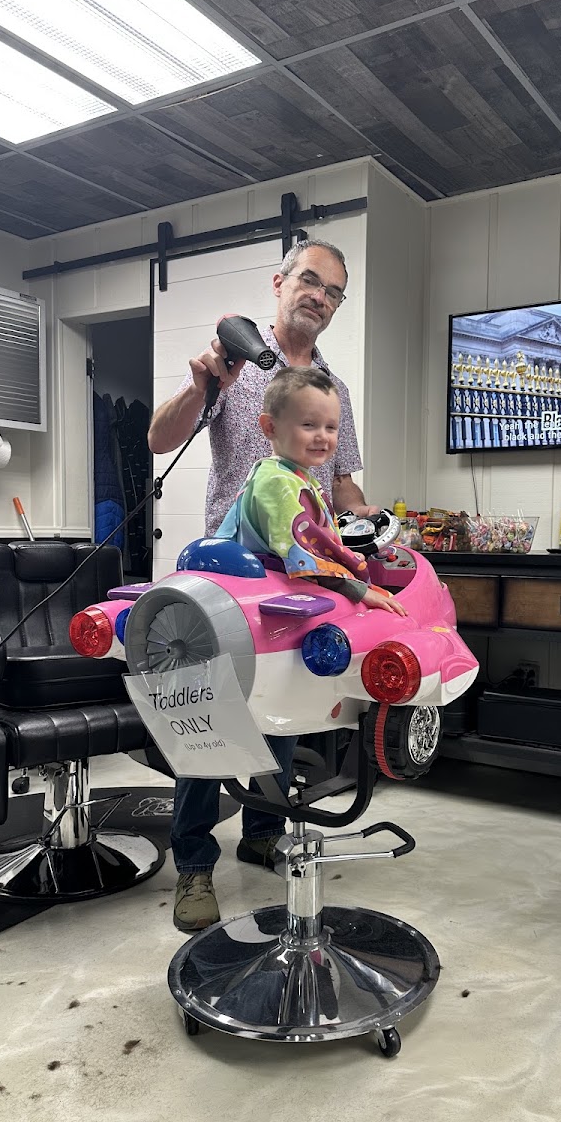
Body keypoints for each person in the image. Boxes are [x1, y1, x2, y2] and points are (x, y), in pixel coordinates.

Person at [147, 239, 379, 933]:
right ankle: (194, 863)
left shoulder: (333, 389)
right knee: (207, 719)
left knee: (282, 712)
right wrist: (202, 385)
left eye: (333, 291)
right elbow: (159, 440)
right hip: (225, 577)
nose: (319, 297)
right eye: (310, 281)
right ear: (280, 283)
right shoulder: (237, 363)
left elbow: (341, 484)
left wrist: (373, 523)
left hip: (296, 581)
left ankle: (262, 832)